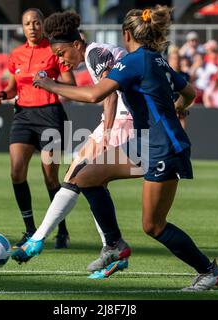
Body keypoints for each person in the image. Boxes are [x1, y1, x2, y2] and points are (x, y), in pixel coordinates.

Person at [31, 5, 218, 291]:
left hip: (163, 148)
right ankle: (113, 244)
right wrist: (177, 109)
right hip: (146, 143)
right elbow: (190, 93)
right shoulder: (155, 60)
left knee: (153, 226)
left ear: (126, 34)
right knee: (85, 177)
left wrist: (50, 85)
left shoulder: (135, 62)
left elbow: (96, 93)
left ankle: (209, 271)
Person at [11, 10, 139, 277]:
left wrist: (105, 132)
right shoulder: (97, 53)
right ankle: (111, 249)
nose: (60, 60)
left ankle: (38, 241)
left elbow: (109, 94)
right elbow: (109, 93)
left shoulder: (96, 53)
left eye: (61, 53)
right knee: (79, 178)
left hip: (125, 122)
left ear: (76, 45)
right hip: (118, 120)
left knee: (78, 178)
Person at [0, 8, 76, 249]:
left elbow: (71, 84)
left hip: (50, 116)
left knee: (50, 178)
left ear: (43, 25)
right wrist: (2, 94)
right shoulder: (16, 54)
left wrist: (50, 83)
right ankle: (30, 229)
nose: (32, 27)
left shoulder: (54, 50)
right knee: (16, 172)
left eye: (36, 22)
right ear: (22, 26)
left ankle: (61, 230)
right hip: (23, 116)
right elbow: (12, 87)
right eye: (28, 23)